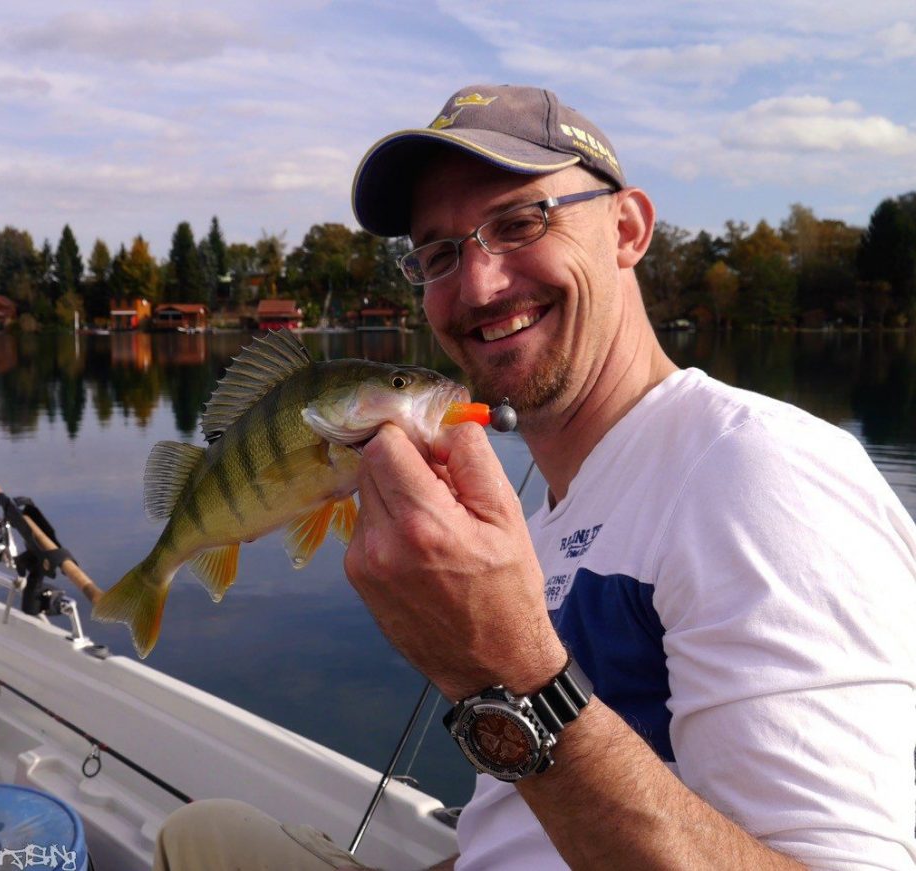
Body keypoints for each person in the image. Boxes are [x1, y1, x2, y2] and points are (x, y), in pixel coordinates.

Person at [153, 85, 916, 870]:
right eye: (440, 254)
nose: (478, 287)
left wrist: (508, 673)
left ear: (626, 230)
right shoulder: (536, 517)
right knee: (199, 833)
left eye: (520, 222)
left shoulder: (761, 474)